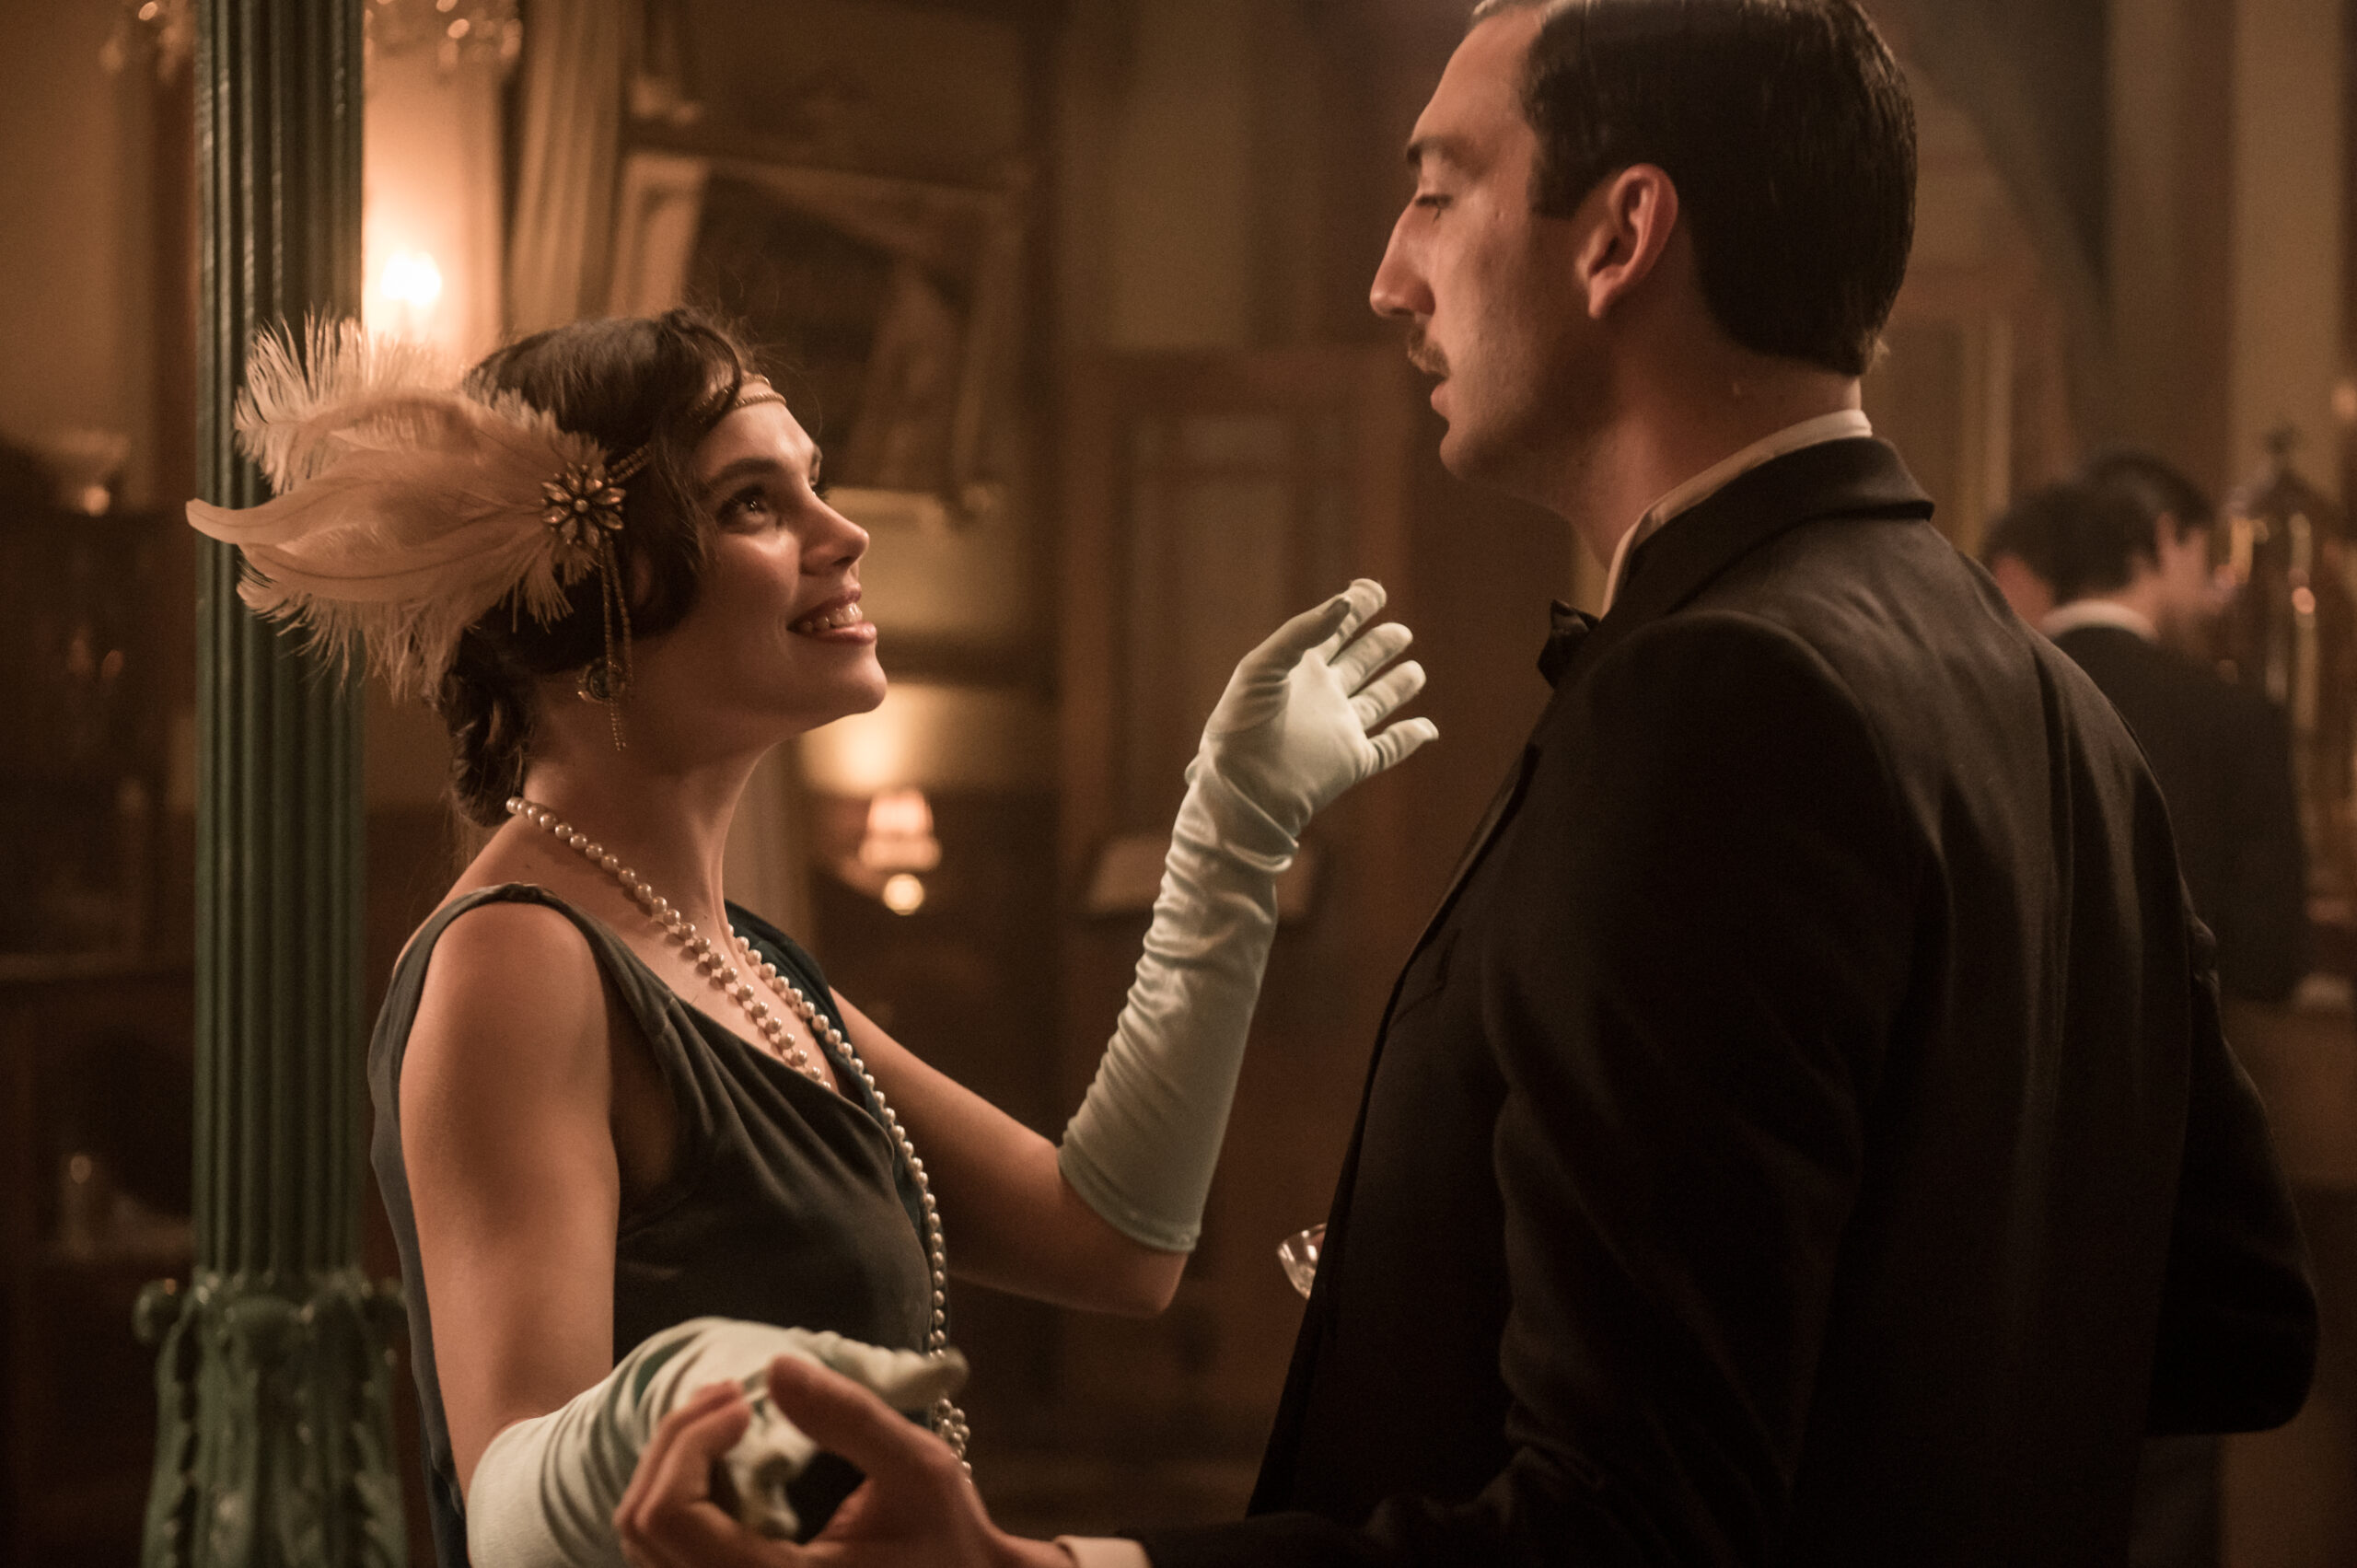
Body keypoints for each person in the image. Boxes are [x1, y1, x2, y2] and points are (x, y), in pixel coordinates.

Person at [612, 2, 2321, 1565]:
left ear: (1621, 238)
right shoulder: (2055, 701)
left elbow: (1623, 1527)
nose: (1387, 277)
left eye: (1438, 192)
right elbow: (2236, 1322)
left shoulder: (1722, 701)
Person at [185, 311, 1437, 1565]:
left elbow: (1112, 1242)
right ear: (597, 587)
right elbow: (516, 1521)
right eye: (754, 503)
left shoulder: (749, 962)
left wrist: (1229, 839)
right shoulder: (517, 963)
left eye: (814, 485)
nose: (846, 535)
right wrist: (681, 1392)